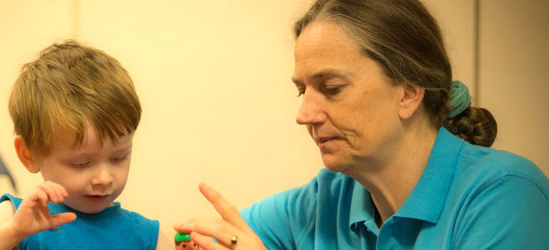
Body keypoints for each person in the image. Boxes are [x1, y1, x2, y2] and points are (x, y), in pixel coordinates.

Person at [174, 0, 549, 249]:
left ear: (408, 91)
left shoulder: (505, 197)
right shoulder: (326, 199)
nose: (304, 114)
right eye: (302, 91)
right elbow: (191, 238)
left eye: (331, 88)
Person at [0, 40, 172, 249]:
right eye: (81, 163)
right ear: (29, 155)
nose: (104, 178)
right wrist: (12, 233)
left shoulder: (146, 235)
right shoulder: (16, 219)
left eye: (119, 157)